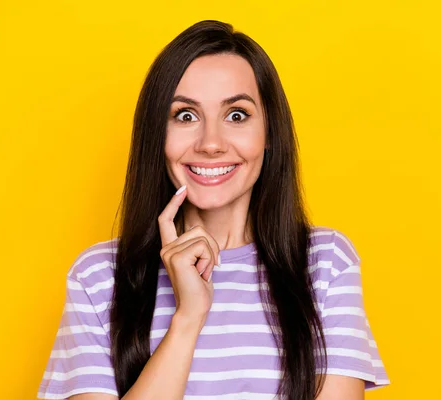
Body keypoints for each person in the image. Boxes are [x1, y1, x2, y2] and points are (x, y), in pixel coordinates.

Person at [37, 19, 389, 400]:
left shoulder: (325, 263)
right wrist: (188, 318)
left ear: (270, 132)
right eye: (185, 116)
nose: (210, 143)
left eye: (236, 115)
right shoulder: (99, 276)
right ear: (157, 134)